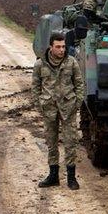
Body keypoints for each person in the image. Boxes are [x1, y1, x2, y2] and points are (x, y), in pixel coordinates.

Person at [32, 32, 85, 190]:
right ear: (51, 47)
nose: (62, 50)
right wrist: (39, 104)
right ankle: (53, 175)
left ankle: (71, 177)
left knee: (70, 143)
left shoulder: (71, 62)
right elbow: (35, 87)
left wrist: (77, 103)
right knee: (51, 143)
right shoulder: (40, 64)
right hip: (49, 109)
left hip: (68, 108)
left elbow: (79, 84)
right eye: (58, 47)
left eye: (63, 46)